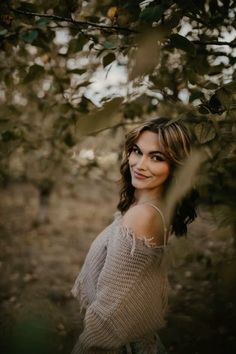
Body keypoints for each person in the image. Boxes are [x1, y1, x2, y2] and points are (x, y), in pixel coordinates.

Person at [71, 117, 198, 354]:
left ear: (174, 168)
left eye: (156, 157)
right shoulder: (155, 206)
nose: (139, 164)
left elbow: (108, 314)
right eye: (137, 151)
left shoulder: (142, 217)